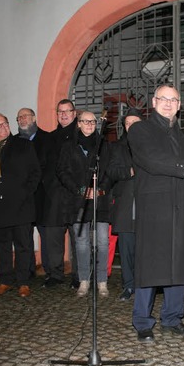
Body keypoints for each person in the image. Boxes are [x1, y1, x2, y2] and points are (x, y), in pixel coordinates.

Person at [127, 84, 184, 342]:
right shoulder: (140, 129)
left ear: (180, 105)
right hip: (154, 209)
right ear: (153, 101)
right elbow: (150, 159)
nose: (168, 104)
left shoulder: (183, 138)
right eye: (163, 99)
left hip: (182, 207)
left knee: (178, 263)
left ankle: (172, 318)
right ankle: (142, 321)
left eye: (174, 100)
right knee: (150, 265)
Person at [0, 113, 41, 298]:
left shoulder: (23, 144)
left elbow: (35, 173)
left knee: (23, 245)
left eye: (5, 124)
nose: (3, 127)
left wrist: (25, 193)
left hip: (21, 205)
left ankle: (23, 282)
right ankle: (5, 280)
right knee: (2, 245)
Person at [57, 110, 111, 298]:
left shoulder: (103, 145)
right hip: (77, 200)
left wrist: (99, 189)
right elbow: (62, 172)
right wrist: (80, 190)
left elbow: (109, 171)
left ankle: (102, 281)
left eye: (92, 121)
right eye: (85, 121)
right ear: (78, 123)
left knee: (103, 242)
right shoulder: (68, 146)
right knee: (81, 243)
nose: (89, 124)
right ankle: (84, 281)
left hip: (100, 200)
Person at [107, 107, 144, 301]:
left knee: (145, 248)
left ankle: (144, 285)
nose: (131, 126)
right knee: (128, 248)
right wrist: (129, 172)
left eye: (134, 122)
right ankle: (129, 285)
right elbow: (111, 171)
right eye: (127, 123)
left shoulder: (150, 145)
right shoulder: (116, 147)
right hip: (126, 203)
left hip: (148, 203)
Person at [42, 99, 79, 288]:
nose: (64, 114)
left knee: (77, 238)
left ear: (74, 113)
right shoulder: (49, 138)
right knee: (53, 237)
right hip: (53, 195)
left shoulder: (80, 136)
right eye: (60, 112)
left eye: (67, 111)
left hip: (74, 195)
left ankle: (78, 276)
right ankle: (55, 274)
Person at [16, 107, 52, 279]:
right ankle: (28, 269)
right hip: (21, 195)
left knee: (45, 233)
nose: (23, 120)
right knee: (24, 234)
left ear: (34, 118)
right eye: (19, 117)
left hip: (42, 194)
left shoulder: (47, 138)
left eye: (26, 116)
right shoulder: (14, 142)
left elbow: (46, 166)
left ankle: (49, 269)